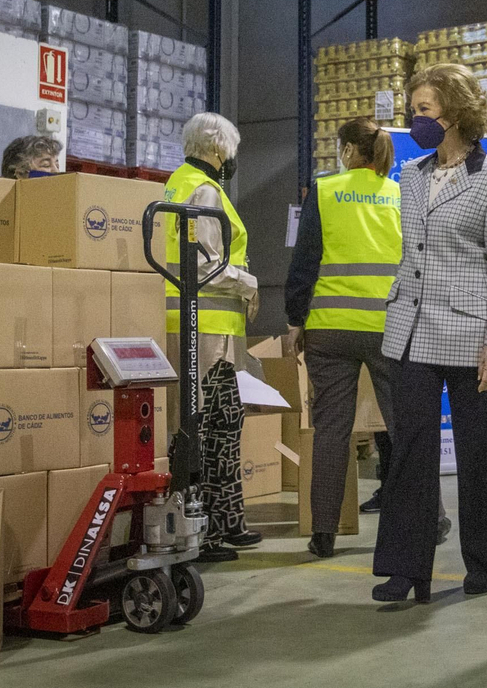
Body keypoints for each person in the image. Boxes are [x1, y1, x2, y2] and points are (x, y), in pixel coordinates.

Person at [372, 64, 487, 603]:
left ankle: (482, 561)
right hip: (410, 330)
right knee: (410, 453)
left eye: (425, 109)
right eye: (414, 110)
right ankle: (406, 569)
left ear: (456, 112)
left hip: (469, 334)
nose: (416, 119)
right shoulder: (409, 176)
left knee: (477, 455)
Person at [283, 119, 451, 557]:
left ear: (347, 151)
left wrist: (295, 319)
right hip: (389, 327)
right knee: (406, 426)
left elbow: (305, 261)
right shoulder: (400, 194)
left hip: (330, 328)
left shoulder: (323, 191)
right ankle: (431, 520)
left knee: (331, 430)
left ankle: (323, 533)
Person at [164, 112, 262, 563]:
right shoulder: (203, 190)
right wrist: (248, 283)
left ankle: (224, 522)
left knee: (213, 426)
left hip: (201, 329)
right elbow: (204, 264)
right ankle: (204, 530)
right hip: (205, 331)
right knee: (211, 429)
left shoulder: (177, 183)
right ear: (218, 149)